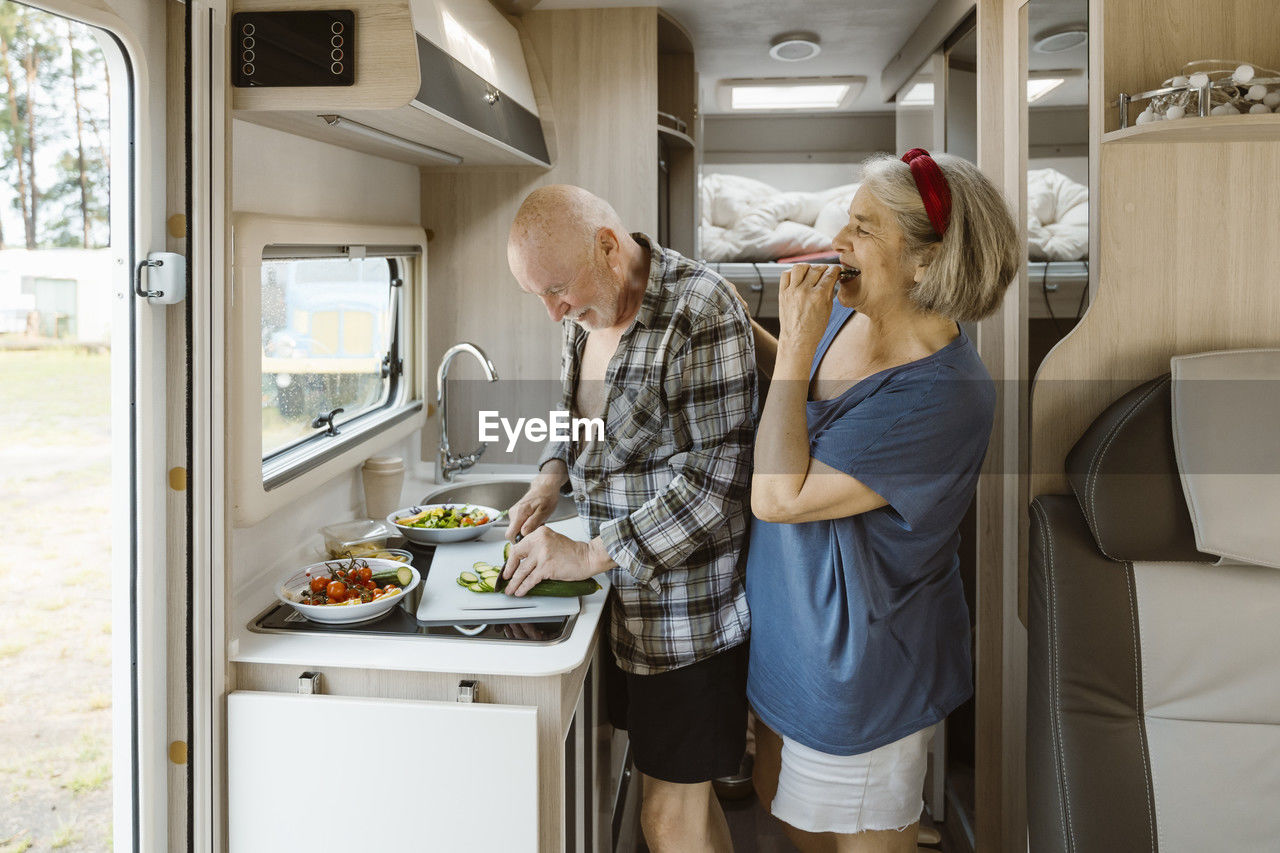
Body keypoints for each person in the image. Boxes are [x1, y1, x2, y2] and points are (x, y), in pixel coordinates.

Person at [740, 150, 1018, 852]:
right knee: (791, 824)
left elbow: (780, 494)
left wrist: (797, 343)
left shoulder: (946, 394)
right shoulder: (855, 313)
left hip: (863, 670)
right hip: (792, 642)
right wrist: (744, 323)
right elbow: (796, 396)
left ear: (925, 262)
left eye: (862, 228)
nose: (839, 242)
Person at [502, 184, 756, 852]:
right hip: (623, 606)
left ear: (608, 247)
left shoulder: (700, 308)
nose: (554, 309)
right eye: (541, 296)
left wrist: (585, 554)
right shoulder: (585, 307)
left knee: (665, 823)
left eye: (557, 289)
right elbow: (578, 415)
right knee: (689, 815)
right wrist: (552, 471)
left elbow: (715, 484)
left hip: (687, 620)